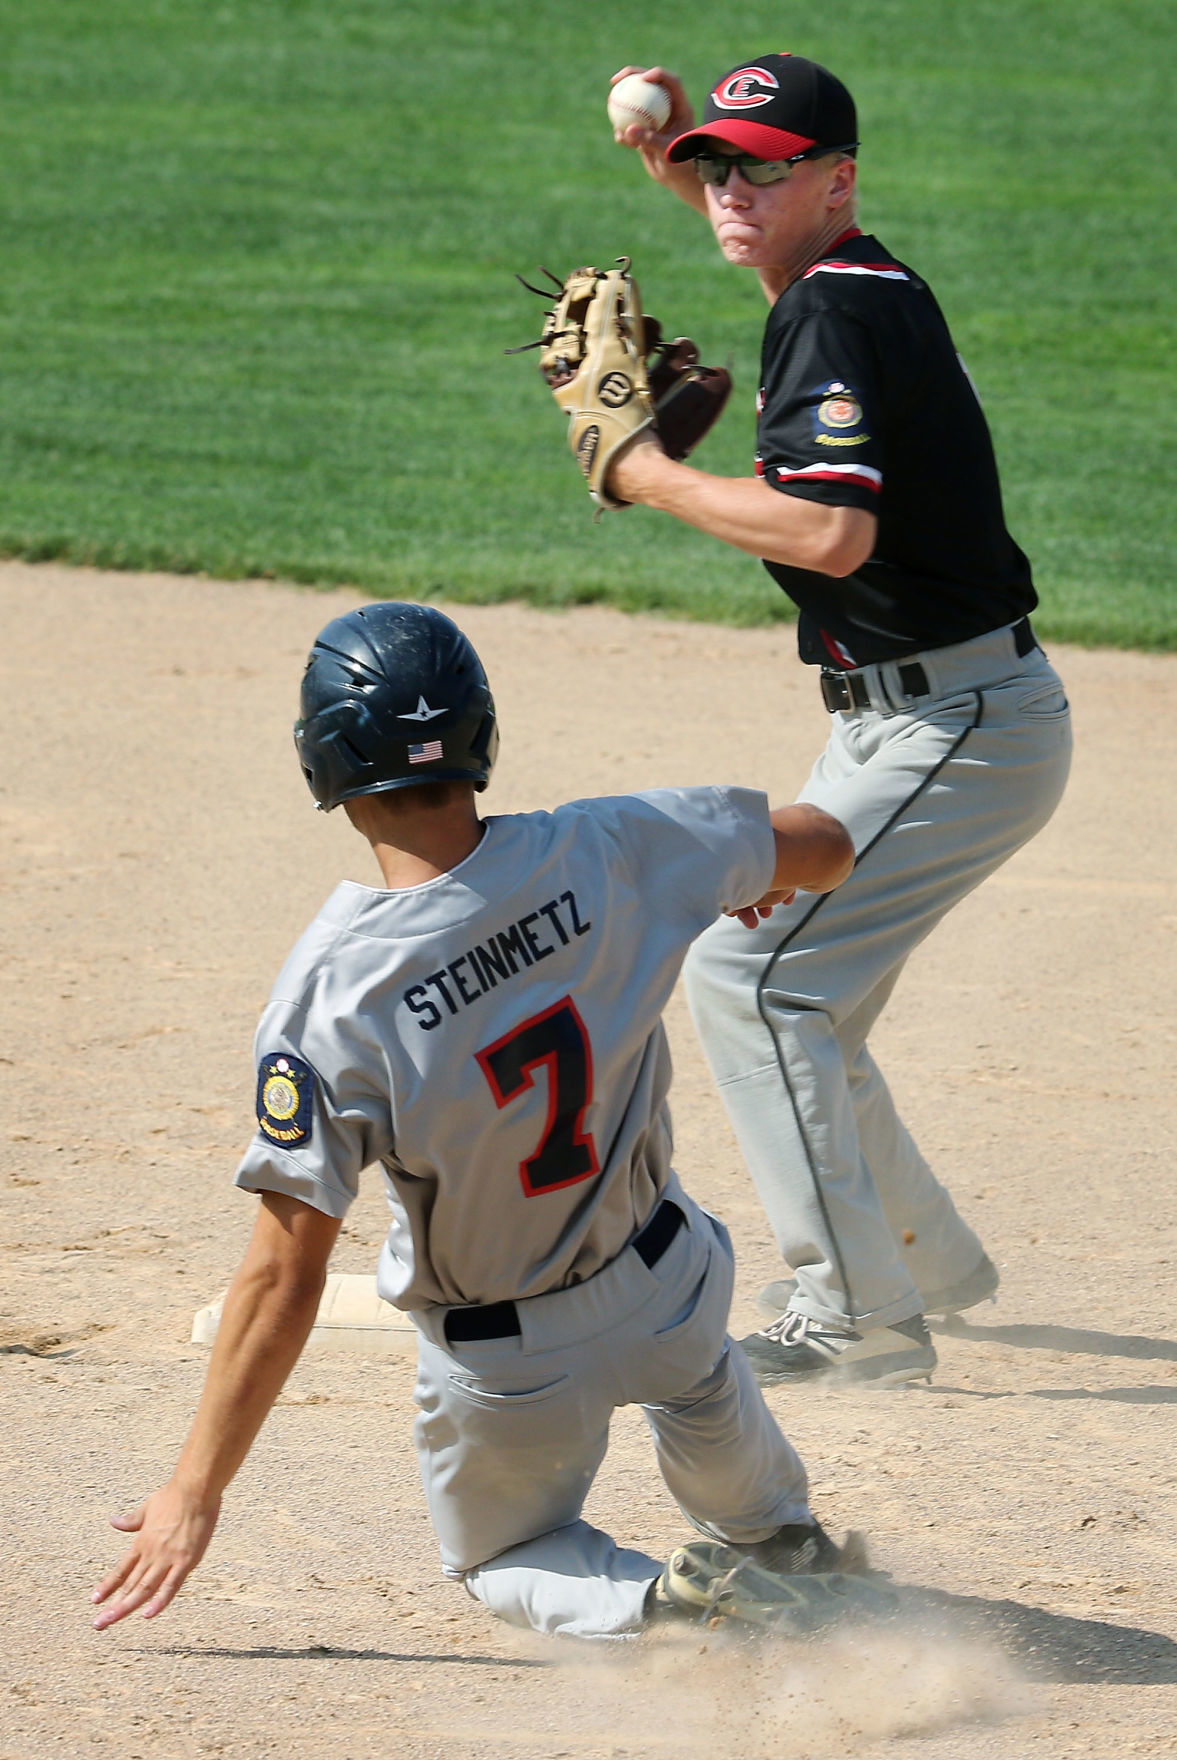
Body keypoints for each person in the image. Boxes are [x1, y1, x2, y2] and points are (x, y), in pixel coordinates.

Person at [90, 601, 895, 1644]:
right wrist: (752, 874)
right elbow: (824, 845)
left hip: (511, 1363)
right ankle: (777, 1538)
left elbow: (281, 1277)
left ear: (323, 762)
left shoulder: (330, 996)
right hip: (662, 1282)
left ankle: (677, 1599)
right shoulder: (615, 843)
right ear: (480, 736)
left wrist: (193, 1488)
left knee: (501, 1552)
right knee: (692, 1372)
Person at [607, 52, 1072, 1387]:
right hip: (932, 718)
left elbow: (826, 528)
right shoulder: (843, 287)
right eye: (714, 165)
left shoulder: (829, 314)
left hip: (951, 729)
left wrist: (646, 476)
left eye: (765, 165)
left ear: (839, 179)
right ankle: (918, 1264)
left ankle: (857, 1312)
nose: (731, 189)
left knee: (752, 978)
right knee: (816, 992)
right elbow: (757, 222)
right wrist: (683, 166)